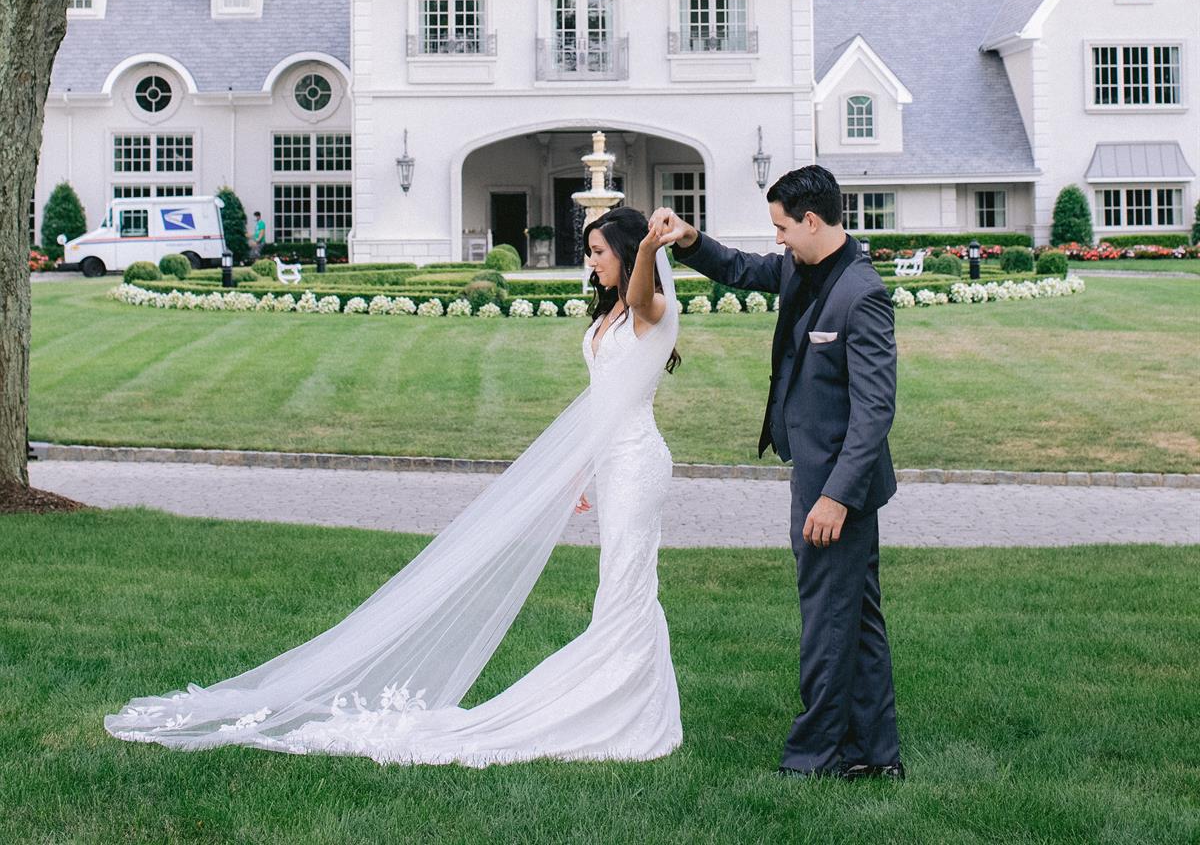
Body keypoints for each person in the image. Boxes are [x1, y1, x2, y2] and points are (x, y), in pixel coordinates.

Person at [105, 207, 681, 767]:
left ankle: (625, 704)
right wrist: (579, 471)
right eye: (588, 252)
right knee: (620, 579)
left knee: (627, 581)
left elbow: (638, 303)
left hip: (637, 463)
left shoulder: (649, 309)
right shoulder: (611, 313)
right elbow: (603, 400)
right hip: (611, 460)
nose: (590, 262)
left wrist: (651, 247)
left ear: (628, 253)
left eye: (598, 253)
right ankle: (629, 699)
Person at [651, 163, 902, 781]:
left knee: (828, 619)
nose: (778, 240)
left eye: (783, 228)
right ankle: (875, 754)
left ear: (812, 221)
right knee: (855, 618)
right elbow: (740, 268)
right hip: (815, 473)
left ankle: (815, 756)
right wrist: (689, 238)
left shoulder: (862, 293)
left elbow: (875, 410)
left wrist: (836, 498)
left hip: (835, 488)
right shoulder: (798, 267)